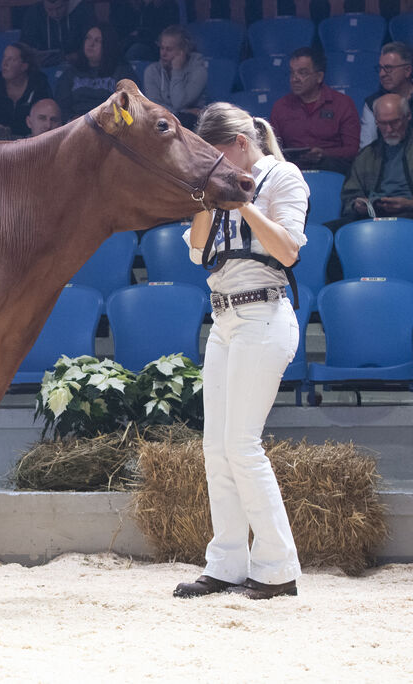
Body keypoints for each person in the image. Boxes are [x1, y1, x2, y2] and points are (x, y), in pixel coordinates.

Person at [175, 103, 308, 601]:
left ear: (241, 143)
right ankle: (226, 564)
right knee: (216, 447)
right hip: (224, 320)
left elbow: (289, 250)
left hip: (265, 314)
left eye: (218, 155)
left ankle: (277, 568)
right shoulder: (216, 185)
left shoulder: (283, 177)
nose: (214, 165)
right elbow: (197, 251)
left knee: (242, 445)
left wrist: (244, 202)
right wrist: (209, 197)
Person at [270, 47, 360, 174]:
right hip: (293, 172)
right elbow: (272, 149)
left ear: (319, 77)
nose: (294, 79)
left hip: (333, 170)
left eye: (302, 73)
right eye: (292, 73)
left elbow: (352, 150)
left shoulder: (342, 104)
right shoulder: (281, 106)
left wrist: (324, 154)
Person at [337, 93, 413, 224]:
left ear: (408, 117)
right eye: (382, 123)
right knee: (331, 229)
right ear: (376, 122)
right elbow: (349, 196)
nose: (389, 129)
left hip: (409, 214)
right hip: (374, 217)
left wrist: (409, 205)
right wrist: (357, 205)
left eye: (394, 122)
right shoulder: (367, 155)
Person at [55, 23, 137, 122]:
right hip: (77, 124)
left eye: (97, 40)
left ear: (107, 45)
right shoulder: (71, 72)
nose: (91, 44)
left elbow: (131, 106)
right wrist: (71, 118)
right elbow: (61, 106)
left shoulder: (123, 72)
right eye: (88, 38)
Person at [0, 42, 52, 138]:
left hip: (30, 142)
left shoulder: (39, 86)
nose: (4, 63)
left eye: (11, 59)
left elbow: (46, 120)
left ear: (24, 66)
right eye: (4, 58)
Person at [143, 25, 207, 129]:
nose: (163, 54)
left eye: (169, 49)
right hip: (161, 123)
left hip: (191, 126)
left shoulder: (199, 71)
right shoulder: (152, 71)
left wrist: (177, 70)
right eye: (162, 48)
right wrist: (184, 111)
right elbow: (154, 107)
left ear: (183, 51)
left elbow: (179, 102)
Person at [359, 42, 413, 149]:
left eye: (389, 68)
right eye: (380, 68)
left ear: (407, 70)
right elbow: (367, 146)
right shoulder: (372, 103)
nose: (382, 74)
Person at [20, 0, 96, 66]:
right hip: (43, 66)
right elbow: (24, 44)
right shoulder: (34, 12)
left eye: (59, 8)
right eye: (49, 9)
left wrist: (74, 56)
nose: (55, 14)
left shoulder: (83, 10)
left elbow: (94, 44)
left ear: (67, 2)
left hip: (78, 65)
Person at [109, 0, 181, 61]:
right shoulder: (149, 8)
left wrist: (142, 33)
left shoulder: (171, 7)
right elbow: (144, 27)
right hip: (146, 42)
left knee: (134, 51)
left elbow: (169, 32)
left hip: (159, 46)